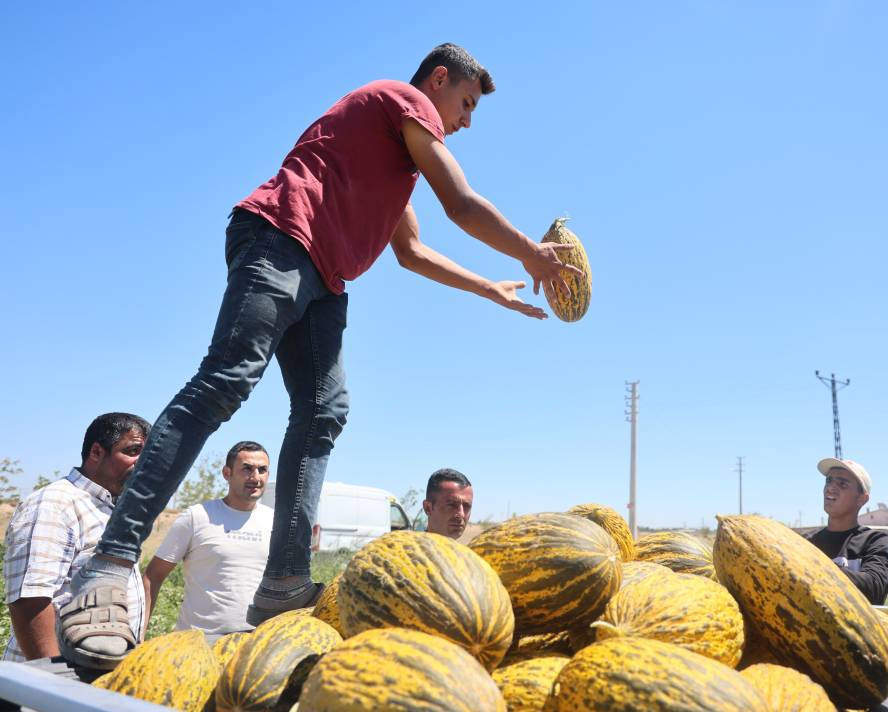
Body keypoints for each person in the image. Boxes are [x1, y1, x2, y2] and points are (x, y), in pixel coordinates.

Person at [59, 43, 581, 669]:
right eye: (465, 103)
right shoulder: (401, 98)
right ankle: (112, 562)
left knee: (323, 410)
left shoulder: (394, 165)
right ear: (438, 81)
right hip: (280, 240)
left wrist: (488, 286)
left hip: (326, 280)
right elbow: (461, 203)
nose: (466, 121)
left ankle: (283, 580)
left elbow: (411, 252)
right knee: (226, 383)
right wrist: (527, 252)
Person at [2, 413, 149, 662]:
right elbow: (30, 600)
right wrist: (55, 681)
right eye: (133, 451)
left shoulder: (110, 508)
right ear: (96, 452)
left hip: (92, 675)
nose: (142, 463)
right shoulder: (55, 504)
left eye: (147, 455)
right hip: (54, 682)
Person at [141, 441, 274, 641]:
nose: (255, 477)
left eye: (262, 470)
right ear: (227, 473)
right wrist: (137, 637)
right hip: (198, 643)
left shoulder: (276, 523)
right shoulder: (197, 517)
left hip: (255, 644)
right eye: (247, 469)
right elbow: (152, 577)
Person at [805, 457, 888, 605]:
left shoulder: (875, 541)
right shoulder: (805, 542)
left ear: (862, 499)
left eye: (842, 484)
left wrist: (817, 568)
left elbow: (875, 589)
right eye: (829, 481)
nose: (830, 488)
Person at [422, 468, 473, 539]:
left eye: (467, 506)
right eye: (452, 505)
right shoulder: (407, 549)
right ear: (428, 508)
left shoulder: (468, 550)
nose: (461, 514)